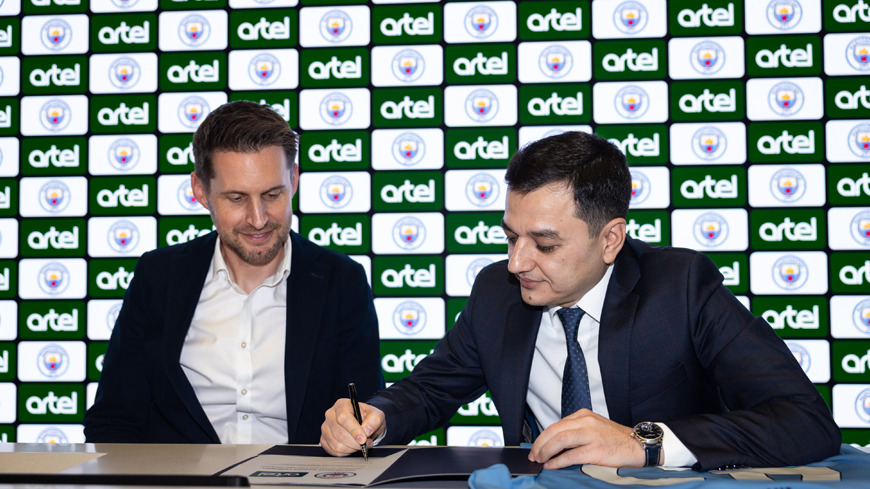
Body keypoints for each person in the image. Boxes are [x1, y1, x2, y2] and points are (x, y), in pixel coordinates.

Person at [320, 131, 840, 471]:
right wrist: (375, 418)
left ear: (610, 240)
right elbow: (429, 391)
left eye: (545, 245)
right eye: (510, 237)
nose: (517, 262)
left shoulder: (681, 288)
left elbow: (805, 420)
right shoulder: (496, 293)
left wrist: (645, 443)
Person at [84, 100, 383, 444]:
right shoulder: (159, 276)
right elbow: (114, 420)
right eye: (237, 198)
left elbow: (365, 418)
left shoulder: (342, 280)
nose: (258, 219)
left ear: (294, 179)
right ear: (201, 191)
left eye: (272, 194)